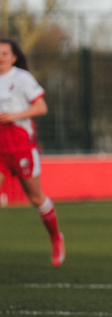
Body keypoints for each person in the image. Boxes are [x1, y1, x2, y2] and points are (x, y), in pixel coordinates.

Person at [0, 38, 65, 267]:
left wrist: (14, 116)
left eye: (5, 54)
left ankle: (56, 238)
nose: (1, 58)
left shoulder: (21, 78)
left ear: (14, 57)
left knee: (36, 198)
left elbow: (41, 107)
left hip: (20, 146)